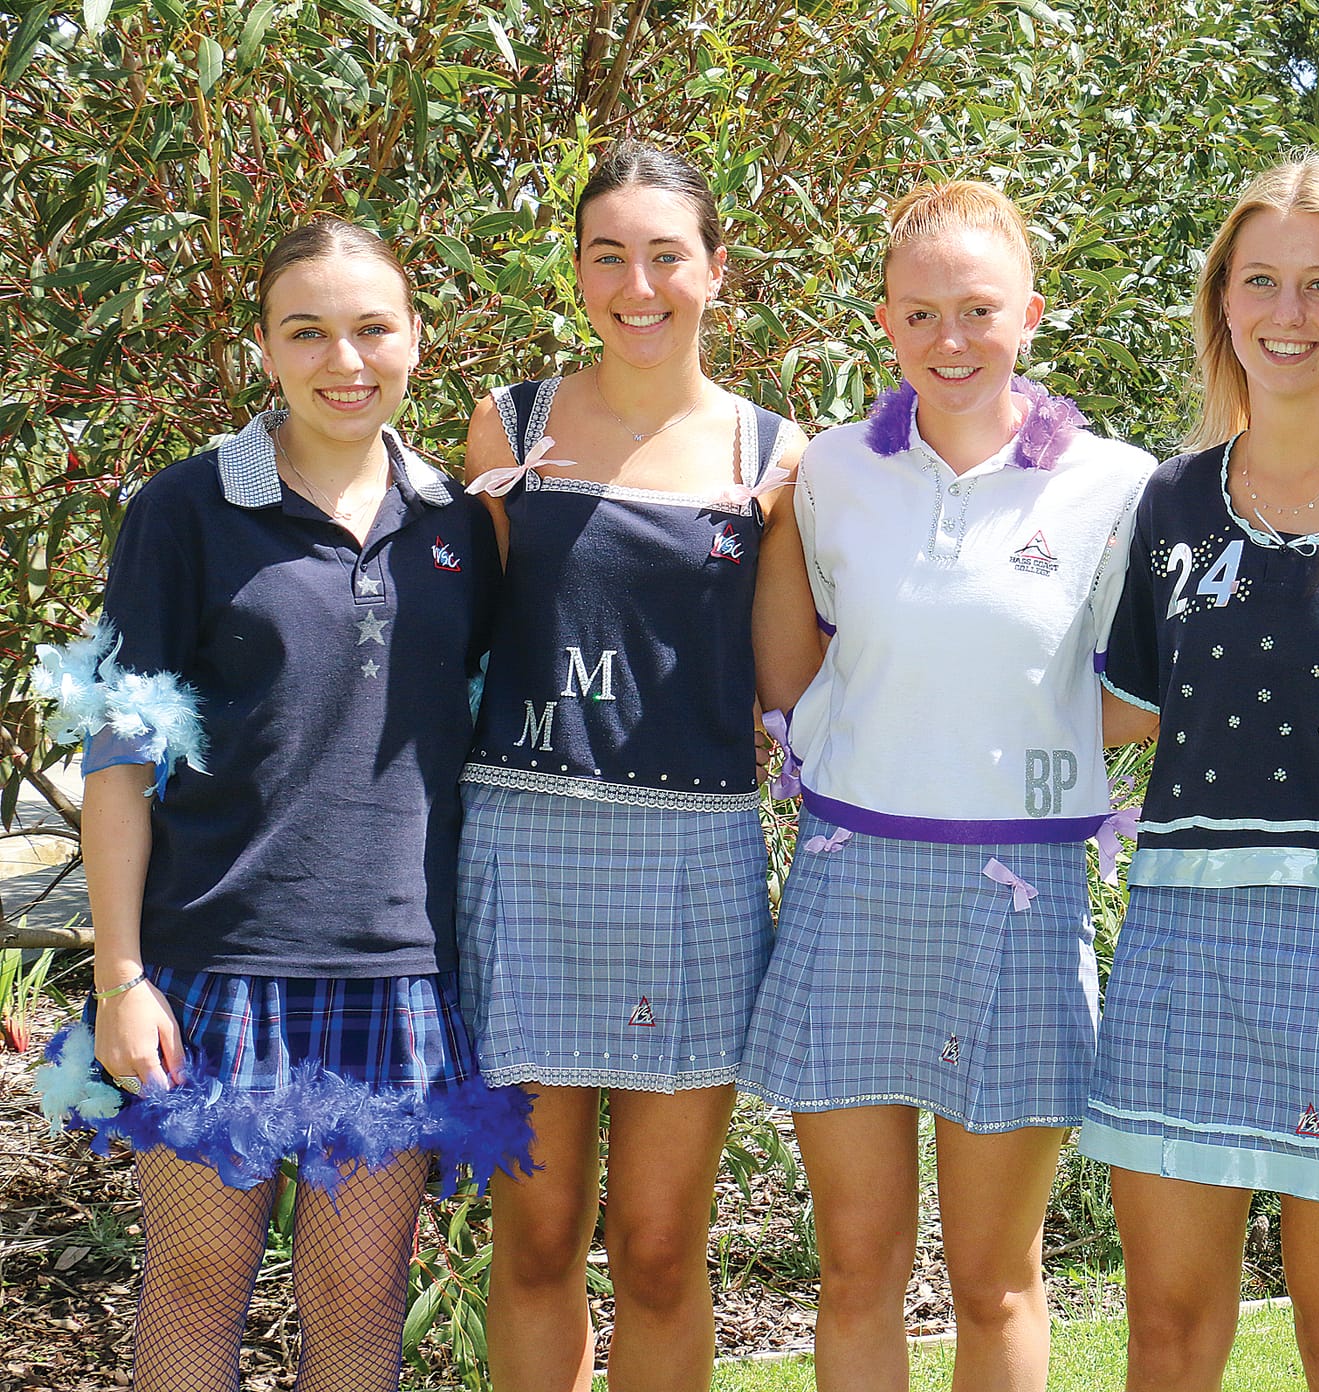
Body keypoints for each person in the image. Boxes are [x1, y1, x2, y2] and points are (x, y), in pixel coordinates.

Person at [31, 216, 529, 1392]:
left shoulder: (460, 526)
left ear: (416, 340)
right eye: (307, 332)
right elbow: (119, 759)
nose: (342, 361)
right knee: (196, 1298)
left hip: (398, 979)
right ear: (264, 347)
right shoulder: (185, 510)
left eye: (371, 330)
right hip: (210, 977)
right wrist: (120, 976)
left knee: (357, 1317)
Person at [739, 180, 1154, 1392]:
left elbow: (1144, 689)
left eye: (977, 309)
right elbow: (791, 662)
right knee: (855, 1271)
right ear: (884, 323)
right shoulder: (829, 477)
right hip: (847, 883)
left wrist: (1026, 737)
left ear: (1029, 313)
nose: (950, 340)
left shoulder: (1113, 485)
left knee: (996, 1276)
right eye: (919, 315)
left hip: (1016, 895)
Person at [1083, 156, 1319, 1392]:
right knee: (1167, 1337)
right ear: (1223, 302)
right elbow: (1111, 718)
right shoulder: (1171, 501)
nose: (1287, 313)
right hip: (1181, 942)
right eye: (1261, 282)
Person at [453, 139, 809, 1392]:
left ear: (716, 270)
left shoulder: (773, 452)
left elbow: (786, 683)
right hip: (525, 849)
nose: (637, 282)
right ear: (579, 272)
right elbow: (448, 640)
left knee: (659, 1248)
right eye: (608, 256)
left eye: (666, 255)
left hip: (690, 866)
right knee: (538, 1237)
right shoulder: (515, 422)